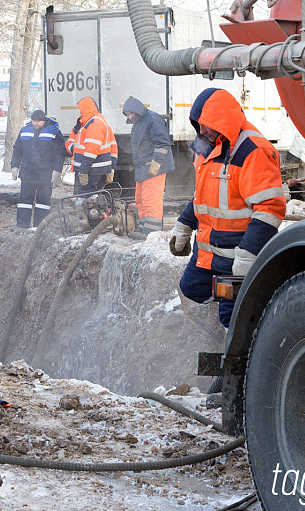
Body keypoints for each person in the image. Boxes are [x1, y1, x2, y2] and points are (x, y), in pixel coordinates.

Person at [169, 87, 286, 330]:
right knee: (192, 288)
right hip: (210, 253)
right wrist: (183, 226)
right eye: (198, 124)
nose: (201, 131)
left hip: (236, 254)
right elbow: (201, 195)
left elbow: (269, 209)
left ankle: (246, 334)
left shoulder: (254, 151)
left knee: (232, 317)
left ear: (223, 121)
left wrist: (248, 255)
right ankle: (241, 302)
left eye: (206, 124)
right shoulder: (207, 145)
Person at [122, 96, 175, 234]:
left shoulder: (152, 119)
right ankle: (144, 229)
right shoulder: (138, 122)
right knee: (141, 200)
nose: (130, 116)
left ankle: (151, 233)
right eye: (128, 115)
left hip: (153, 168)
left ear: (136, 110)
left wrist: (156, 163)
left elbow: (163, 142)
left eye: (131, 113)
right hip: (143, 168)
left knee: (151, 201)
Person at [10, 109, 66, 228]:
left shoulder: (54, 132)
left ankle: (40, 227)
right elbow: (17, 150)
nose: (36, 123)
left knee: (43, 202)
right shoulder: (24, 130)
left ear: (44, 121)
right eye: (34, 121)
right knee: (24, 201)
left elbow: (60, 153)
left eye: (38, 121)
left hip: (45, 174)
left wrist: (57, 171)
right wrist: (14, 166)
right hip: (27, 173)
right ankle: (22, 226)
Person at [65, 97, 118, 195]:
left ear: (86, 109)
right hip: (98, 169)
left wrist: (84, 170)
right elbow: (113, 147)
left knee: (86, 200)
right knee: (95, 198)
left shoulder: (93, 124)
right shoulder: (98, 122)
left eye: (81, 110)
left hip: (91, 170)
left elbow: (91, 151)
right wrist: (112, 168)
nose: (80, 113)